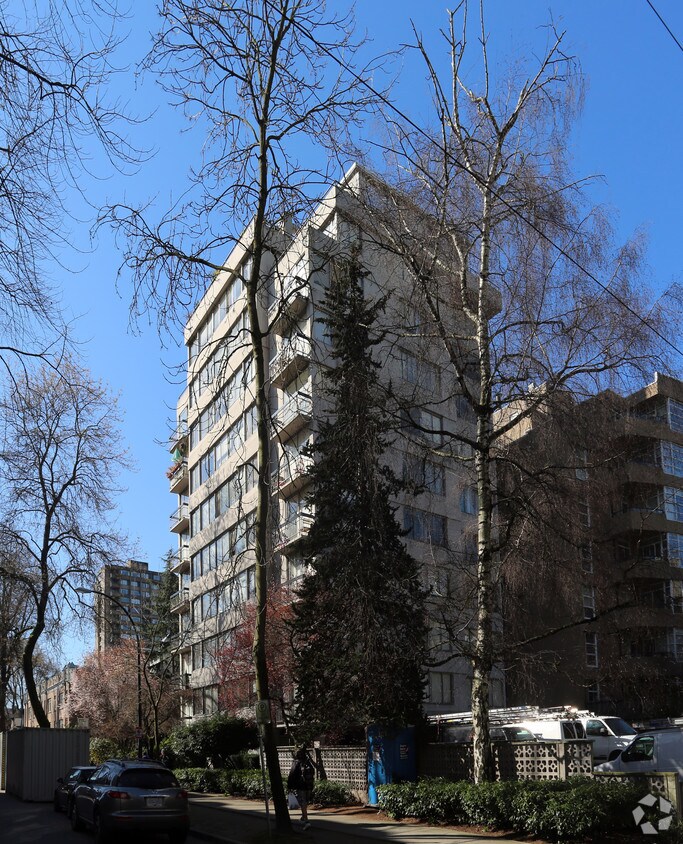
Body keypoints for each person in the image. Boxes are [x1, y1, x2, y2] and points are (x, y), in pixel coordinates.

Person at [287, 747, 316, 830]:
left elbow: (292, 774)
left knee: (302, 803)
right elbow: (313, 772)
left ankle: (307, 821)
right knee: (305, 802)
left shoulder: (296, 762)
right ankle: (303, 817)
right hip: (309, 786)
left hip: (301, 786)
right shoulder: (308, 762)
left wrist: (289, 786)